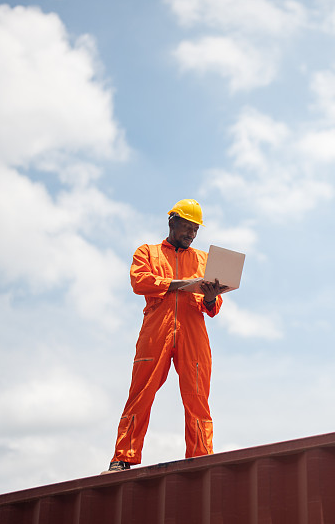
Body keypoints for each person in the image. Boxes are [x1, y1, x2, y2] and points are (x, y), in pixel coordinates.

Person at [105, 199, 225, 473]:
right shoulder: (147, 252)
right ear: (172, 221)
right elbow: (140, 282)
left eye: (195, 230)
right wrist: (178, 285)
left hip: (193, 334)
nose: (191, 234)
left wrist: (210, 297)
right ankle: (123, 457)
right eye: (187, 227)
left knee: (197, 396)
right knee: (141, 392)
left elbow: (214, 308)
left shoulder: (205, 260)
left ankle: (201, 457)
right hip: (155, 332)